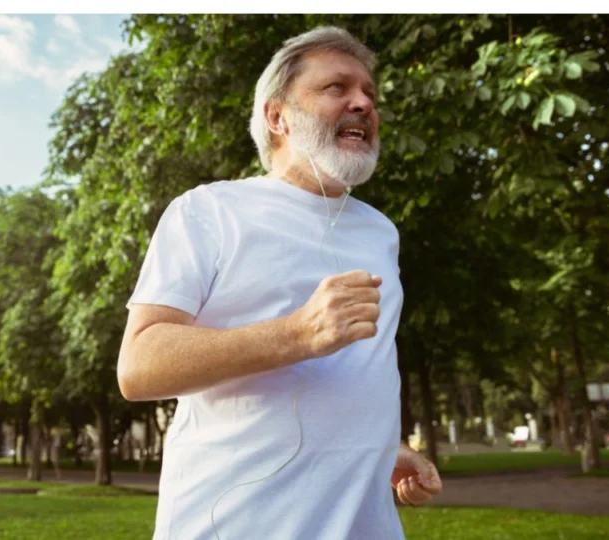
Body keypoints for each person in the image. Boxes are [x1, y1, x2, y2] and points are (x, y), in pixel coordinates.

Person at [117, 26, 443, 539]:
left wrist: (381, 445)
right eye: (337, 88)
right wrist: (297, 334)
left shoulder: (381, 231)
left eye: (369, 95)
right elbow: (139, 366)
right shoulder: (208, 210)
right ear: (277, 116)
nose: (362, 103)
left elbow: (354, 374)